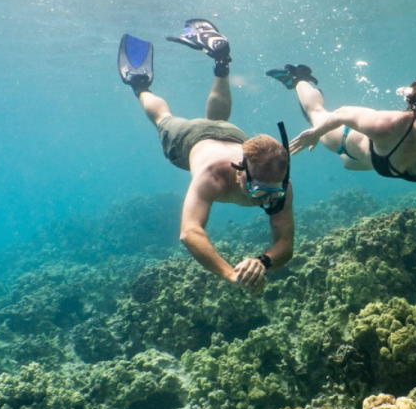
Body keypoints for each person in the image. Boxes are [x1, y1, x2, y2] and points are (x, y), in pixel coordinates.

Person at [118, 20, 294, 292]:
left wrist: (262, 262)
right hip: (190, 137)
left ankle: (221, 61)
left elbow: (286, 245)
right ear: (239, 171)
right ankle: (140, 84)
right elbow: (189, 233)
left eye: (274, 194)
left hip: (232, 134)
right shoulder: (211, 176)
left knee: (220, 119)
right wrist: (230, 275)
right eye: (259, 193)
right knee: (163, 118)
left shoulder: (280, 182)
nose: (269, 200)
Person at [266, 64, 416, 182]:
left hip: (367, 162)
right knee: (316, 113)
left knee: (347, 165)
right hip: (345, 139)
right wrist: (317, 132)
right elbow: (343, 113)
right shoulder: (387, 125)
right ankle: (298, 78)